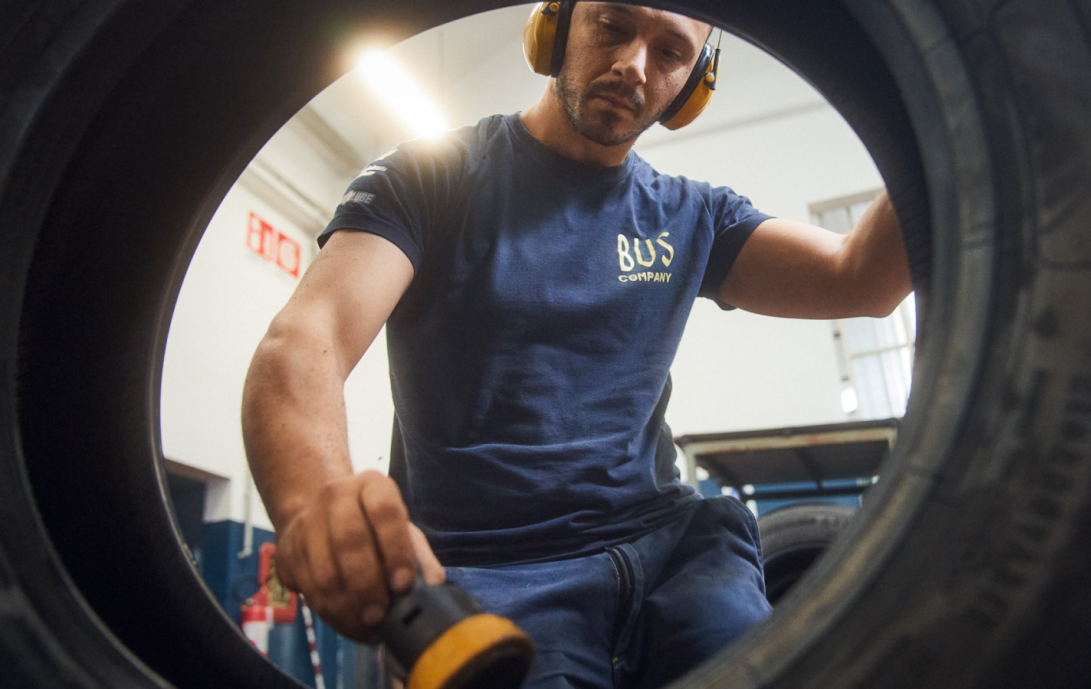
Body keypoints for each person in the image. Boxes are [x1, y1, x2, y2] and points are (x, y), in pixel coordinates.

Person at [242, 2, 911, 687]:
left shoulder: (695, 215)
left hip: (678, 557)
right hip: (488, 578)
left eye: (671, 53)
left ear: (695, 83)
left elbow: (861, 278)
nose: (634, 65)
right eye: (613, 27)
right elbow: (305, 337)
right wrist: (311, 501)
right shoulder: (432, 177)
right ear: (555, 25)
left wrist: (938, 111)